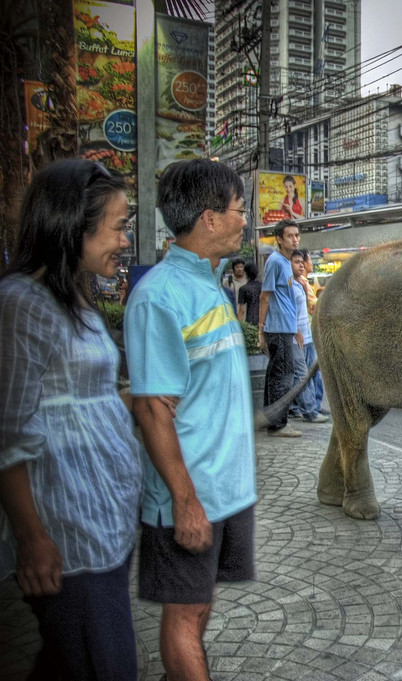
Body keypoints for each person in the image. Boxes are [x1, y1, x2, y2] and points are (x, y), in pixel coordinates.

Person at [0, 160, 143, 680]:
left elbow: (80, 398)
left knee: (68, 663)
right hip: (68, 535)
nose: (125, 241)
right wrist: (32, 536)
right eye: (119, 226)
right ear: (72, 226)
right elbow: (8, 434)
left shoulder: (74, 300)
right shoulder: (20, 304)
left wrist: (138, 402)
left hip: (104, 523)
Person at [125, 159, 258, 681]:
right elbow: (153, 409)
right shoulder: (159, 296)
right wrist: (185, 502)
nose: (245, 220)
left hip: (225, 488)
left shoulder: (210, 283)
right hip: (190, 494)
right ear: (209, 218)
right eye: (239, 210)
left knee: (198, 605)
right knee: (183, 615)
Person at [259, 219, 303, 437]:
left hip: (285, 328)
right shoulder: (275, 262)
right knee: (283, 376)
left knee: (276, 375)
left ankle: (271, 421)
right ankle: (278, 425)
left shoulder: (286, 262)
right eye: (290, 236)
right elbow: (265, 296)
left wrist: (296, 329)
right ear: (279, 239)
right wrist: (261, 330)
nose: (295, 239)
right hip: (277, 329)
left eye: (297, 235)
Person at [289, 250, 328, 423]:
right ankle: (310, 410)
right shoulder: (293, 283)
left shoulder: (301, 284)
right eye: (297, 262)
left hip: (307, 334)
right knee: (304, 373)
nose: (302, 265)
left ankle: (304, 407)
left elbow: (309, 308)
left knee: (306, 373)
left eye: (302, 262)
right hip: (298, 336)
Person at [236, 261, 261, 327]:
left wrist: (238, 325)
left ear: (246, 273)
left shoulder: (243, 289)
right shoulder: (263, 287)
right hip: (263, 319)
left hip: (250, 320)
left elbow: (242, 309)